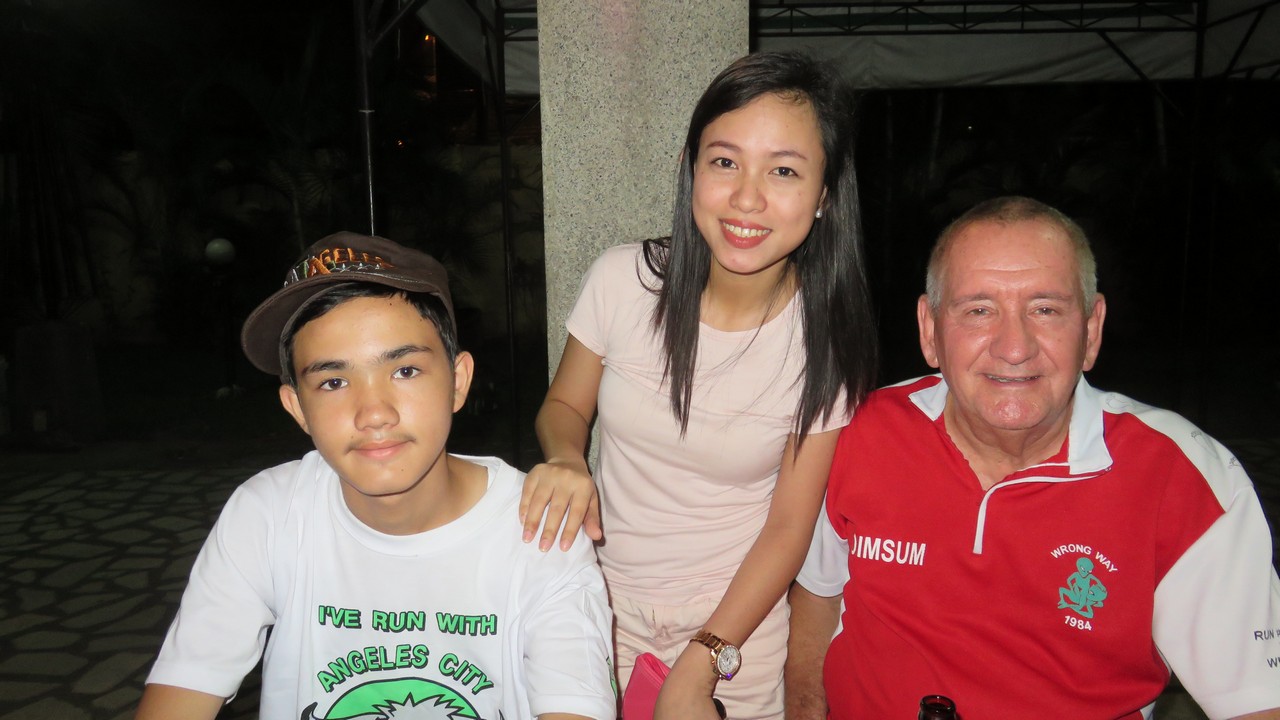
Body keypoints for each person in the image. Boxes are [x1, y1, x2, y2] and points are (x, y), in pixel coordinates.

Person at [786, 196, 1280, 720]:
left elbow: (1256, 701)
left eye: (1045, 310)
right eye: (979, 310)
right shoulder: (856, 433)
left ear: (1091, 330)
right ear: (930, 331)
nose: (1014, 347)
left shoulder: (1180, 476)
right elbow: (817, 601)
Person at [521, 52, 878, 720]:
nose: (747, 198)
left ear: (825, 194)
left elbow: (789, 528)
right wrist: (566, 458)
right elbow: (564, 404)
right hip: (597, 605)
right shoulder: (623, 280)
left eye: (783, 171)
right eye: (724, 162)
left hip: (735, 631)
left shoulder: (826, 343)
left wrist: (703, 659)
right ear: (691, 168)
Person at [135, 233, 616, 720]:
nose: (374, 413)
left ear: (458, 381)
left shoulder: (541, 528)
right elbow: (184, 687)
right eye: (334, 382)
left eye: (405, 371)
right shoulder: (269, 514)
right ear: (297, 408)